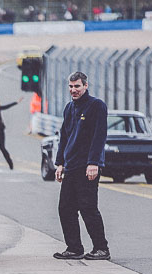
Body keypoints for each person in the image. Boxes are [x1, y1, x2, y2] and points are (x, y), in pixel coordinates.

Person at [52, 71, 109, 261]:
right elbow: (64, 137)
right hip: (71, 166)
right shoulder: (69, 108)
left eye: (77, 86)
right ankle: (74, 247)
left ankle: (101, 248)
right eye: (70, 86)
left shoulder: (96, 106)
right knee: (65, 208)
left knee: (88, 207)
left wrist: (94, 162)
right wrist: (60, 163)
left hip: (87, 167)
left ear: (86, 86)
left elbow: (99, 136)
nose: (73, 90)